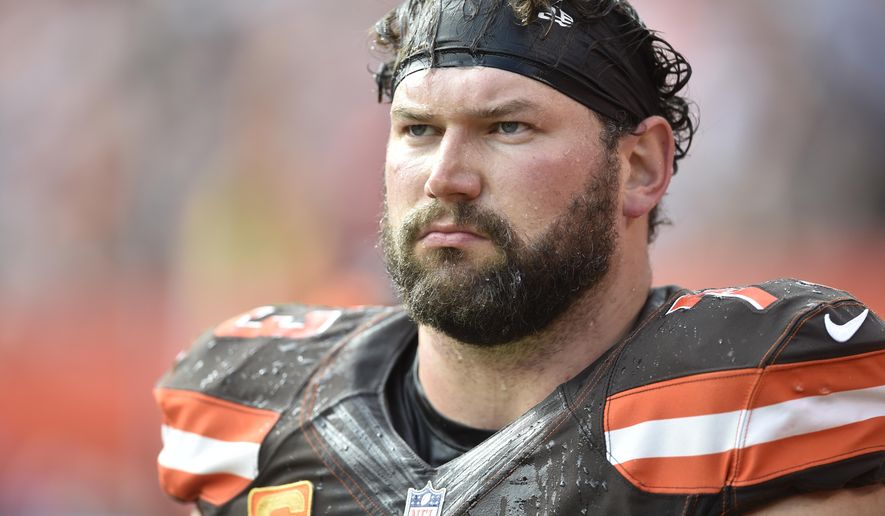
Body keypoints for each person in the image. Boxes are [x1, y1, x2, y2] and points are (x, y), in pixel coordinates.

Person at [155, 1, 885, 514]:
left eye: (506, 126)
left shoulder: (758, 398)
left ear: (638, 167)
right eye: (416, 129)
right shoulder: (255, 407)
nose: (445, 175)